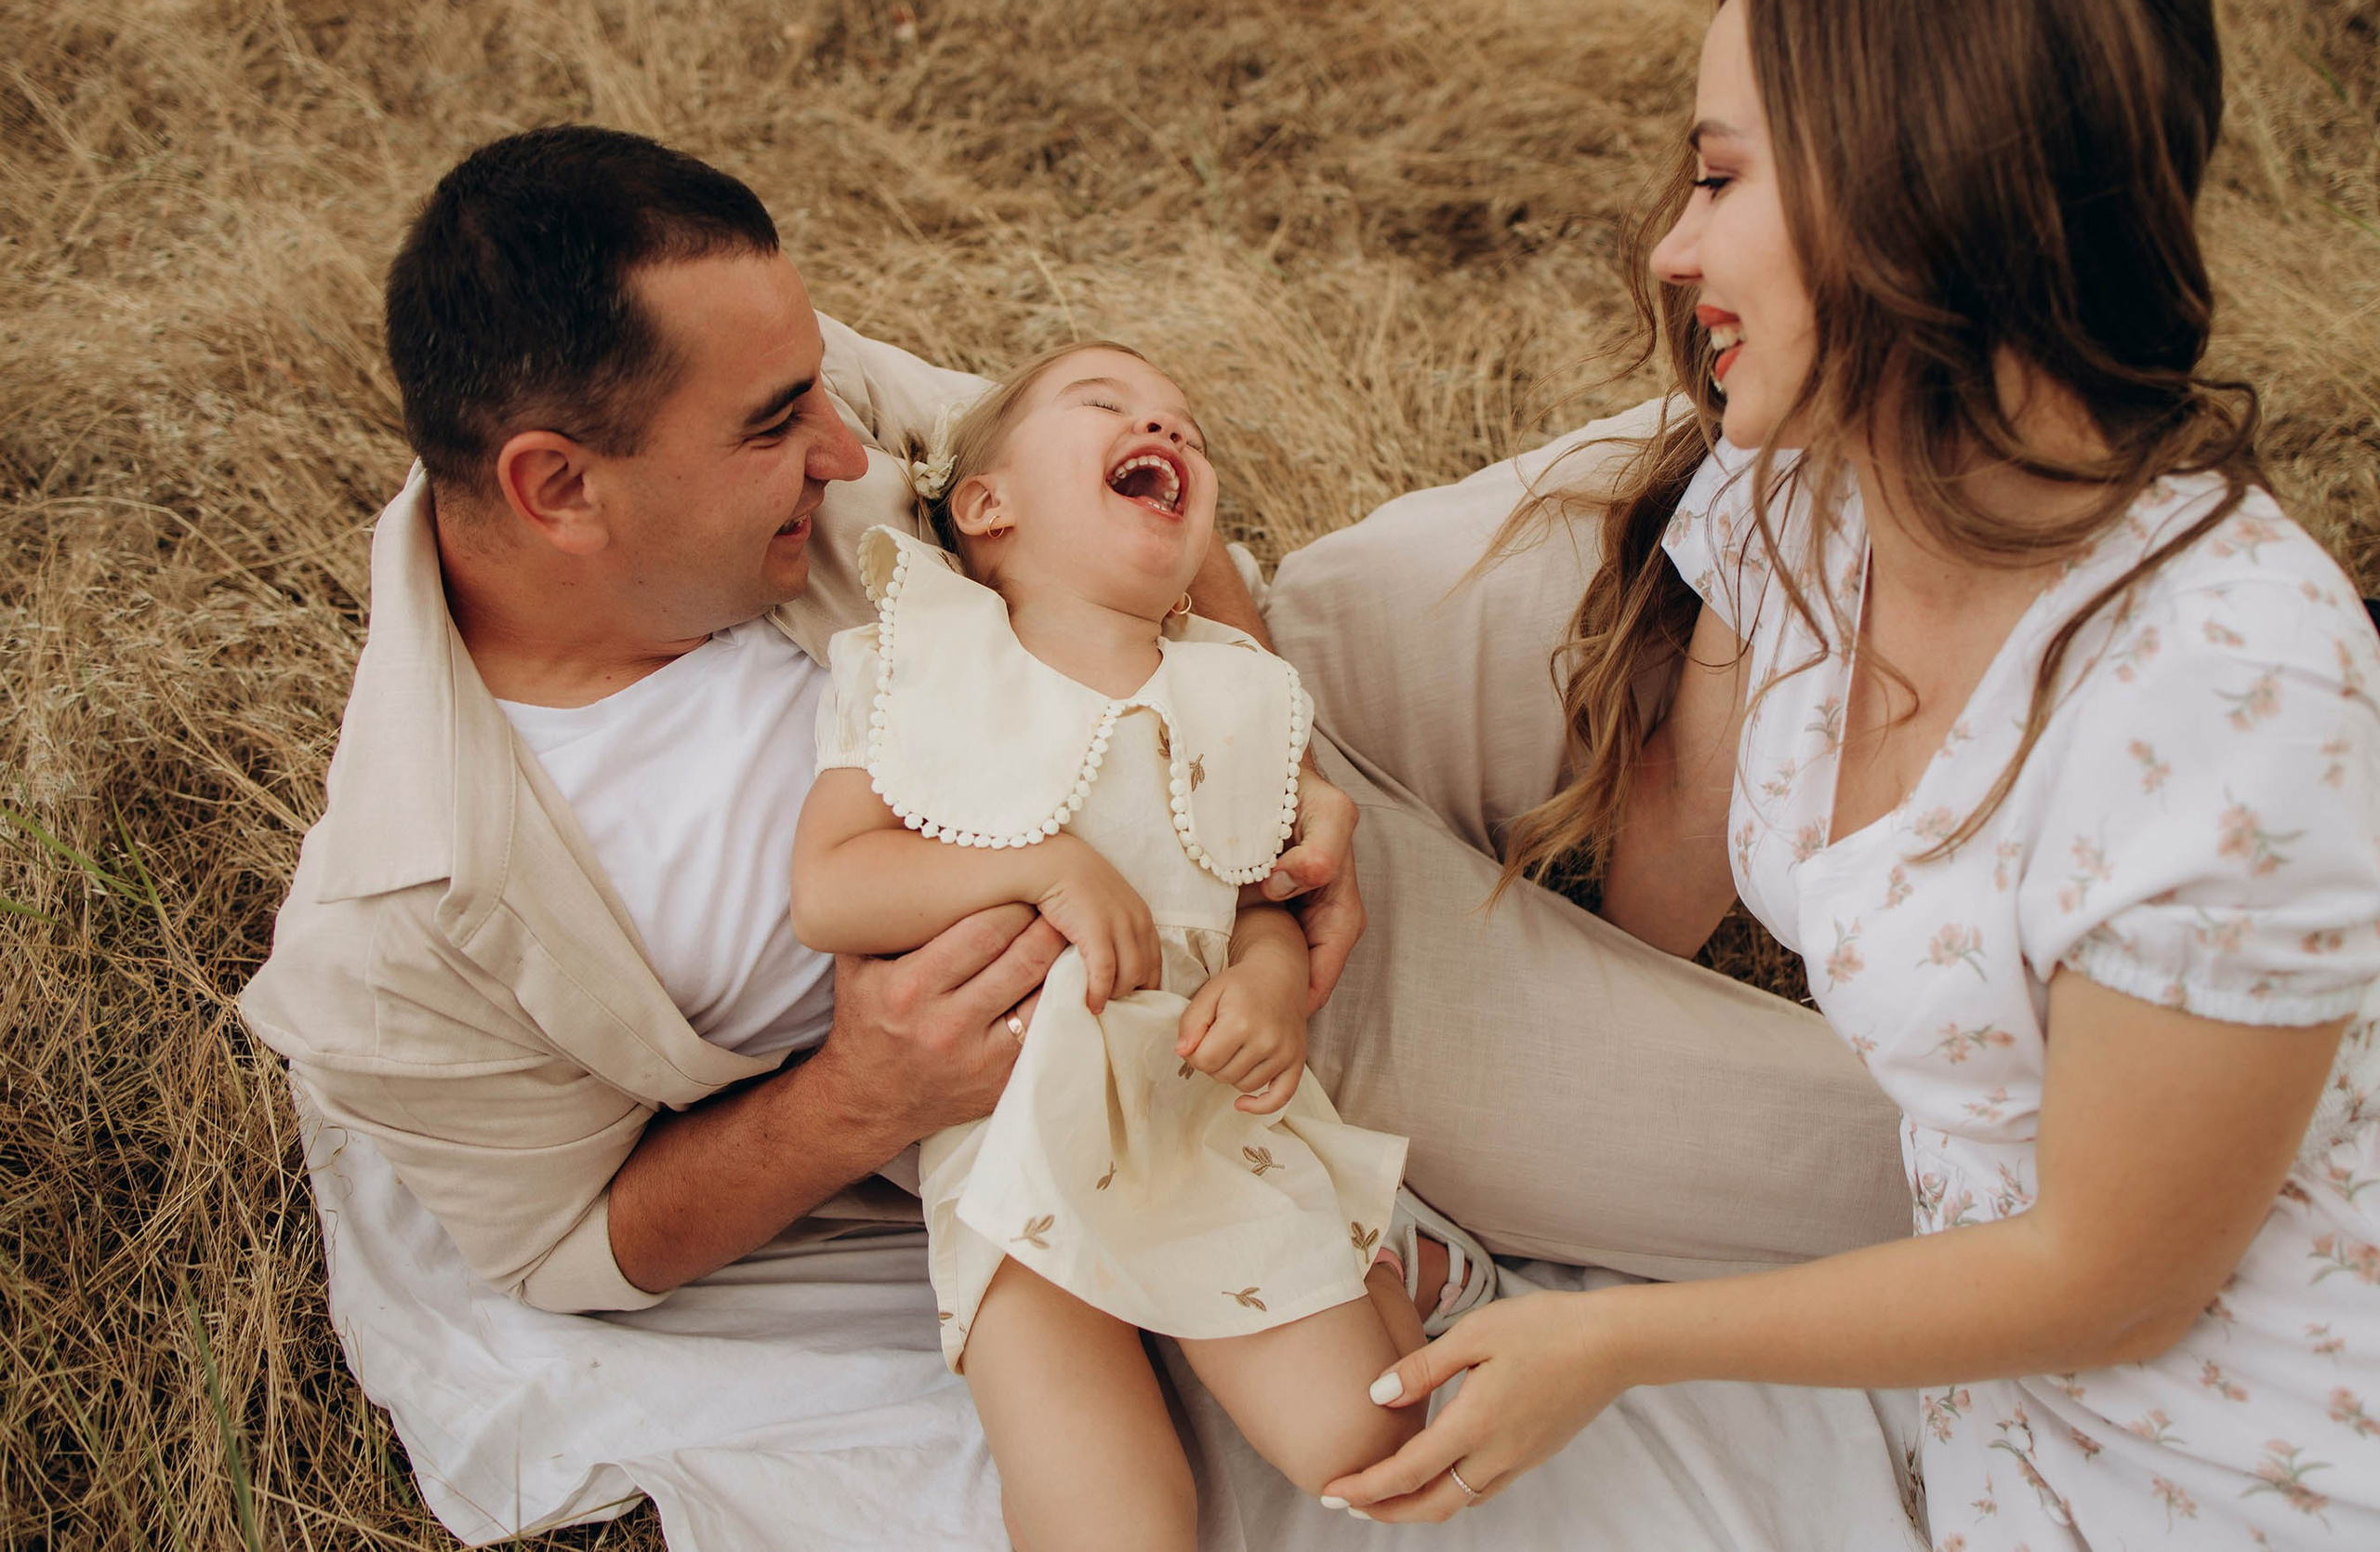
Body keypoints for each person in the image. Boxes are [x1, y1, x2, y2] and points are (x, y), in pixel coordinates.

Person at [239, 119, 1913, 1544]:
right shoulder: (405, 919)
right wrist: (860, 1101)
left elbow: (1066, 477)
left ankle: (2040, 514)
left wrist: (1265, 734)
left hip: (1255, 702)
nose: (843, 447)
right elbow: (569, 1246)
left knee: (1712, 455)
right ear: (554, 490)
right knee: (1893, 1164)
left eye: (820, 386)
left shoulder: (787, 400)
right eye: (772, 431)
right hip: (1236, 1020)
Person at [1320, 0, 2380, 1545]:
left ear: (1914, 175)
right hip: (1967, 1381)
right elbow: (1654, 892)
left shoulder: (2238, 690)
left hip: (2231, 1456)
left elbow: (2124, 1287)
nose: (1674, 245)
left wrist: (1615, 1341)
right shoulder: (1803, 495)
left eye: (1723, 174)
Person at [795, 342, 1429, 1545]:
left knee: (1365, 1440)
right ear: (987, 505)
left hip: (1199, 1113)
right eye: (1110, 407)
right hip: (1009, 1137)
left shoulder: (1232, 687)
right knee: (1113, 1518)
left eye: (1188, 428)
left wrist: (1273, 987)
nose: (1169, 431)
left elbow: (1261, 900)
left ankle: (1378, 1266)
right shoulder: (924, 665)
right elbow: (829, 890)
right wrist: (1042, 865)